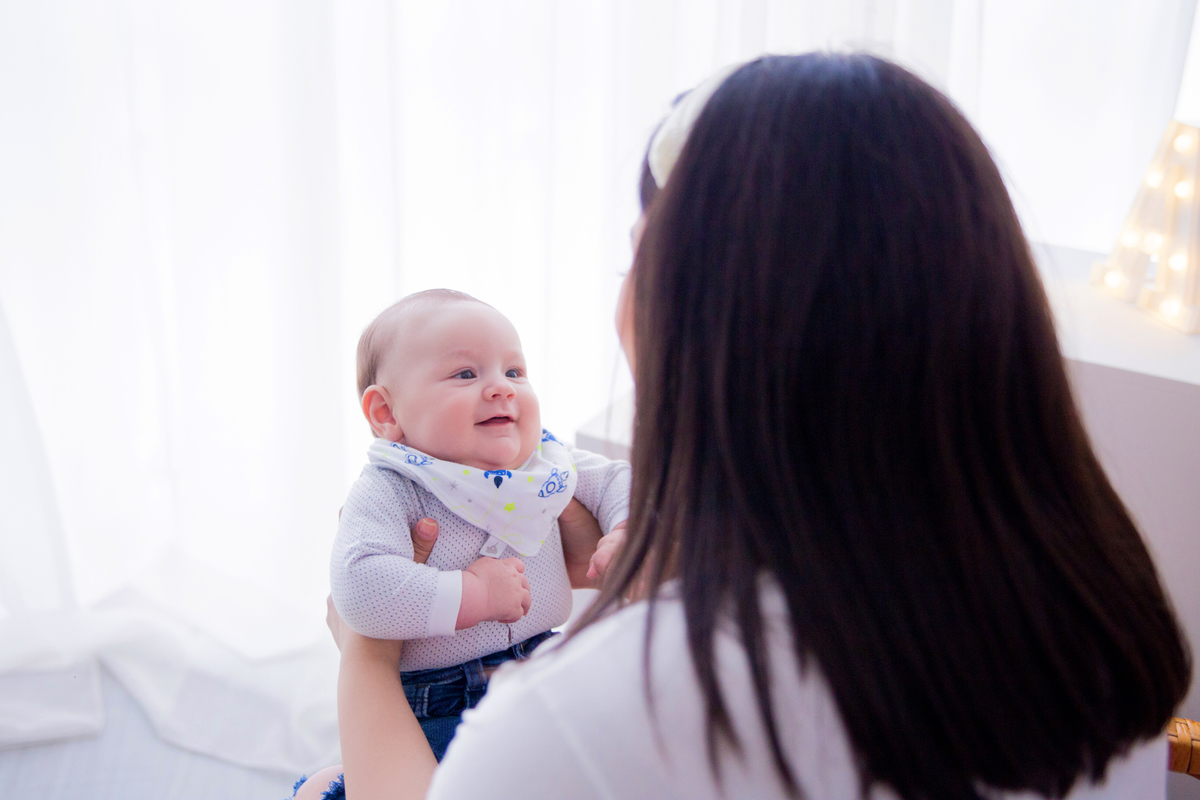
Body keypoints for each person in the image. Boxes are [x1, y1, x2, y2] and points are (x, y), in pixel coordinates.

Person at [298, 53, 1191, 800]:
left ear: (663, 317)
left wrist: (368, 663)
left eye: (634, 258)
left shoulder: (578, 728)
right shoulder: (1097, 626)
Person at [330, 290, 630, 760]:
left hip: (547, 664)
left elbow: (619, 480)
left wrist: (624, 528)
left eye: (514, 371)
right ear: (387, 414)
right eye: (466, 374)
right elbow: (360, 589)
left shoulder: (542, 465)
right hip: (443, 703)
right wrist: (473, 595)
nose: (502, 387)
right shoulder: (394, 485)